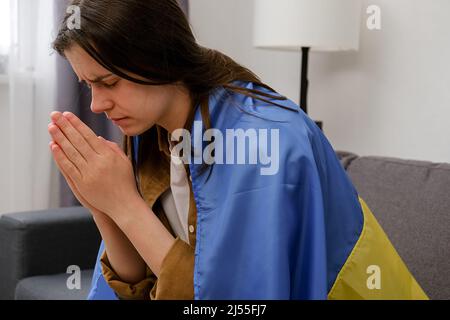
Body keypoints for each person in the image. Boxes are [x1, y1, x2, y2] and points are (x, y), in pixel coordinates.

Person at [48, 0, 428, 300]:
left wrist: (125, 205)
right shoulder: (150, 130)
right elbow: (138, 283)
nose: (96, 104)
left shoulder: (266, 143)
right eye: (87, 85)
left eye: (108, 82)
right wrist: (104, 205)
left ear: (157, 56)